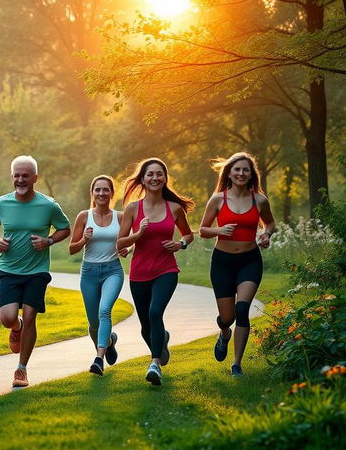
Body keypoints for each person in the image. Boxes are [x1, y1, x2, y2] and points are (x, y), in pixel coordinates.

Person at [0, 155, 71, 388]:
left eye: (25, 176)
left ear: (35, 178)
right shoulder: (1, 203)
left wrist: (48, 241)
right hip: (9, 269)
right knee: (7, 318)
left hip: (37, 270)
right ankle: (17, 327)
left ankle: (21, 369)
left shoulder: (48, 205)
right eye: (16, 175)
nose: (20, 180)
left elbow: (65, 229)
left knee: (32, 315)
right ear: (12, 177)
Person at [117, 158, 194, 386]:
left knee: (155, 312)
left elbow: (188, 234)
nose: (155, 178)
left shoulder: (174, 208)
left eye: (159, 174)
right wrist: (137, 236)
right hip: (139, 272)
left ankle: (154, 364)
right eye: (150, 174)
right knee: (145, 327)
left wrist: (181, 244)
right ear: (142, 179)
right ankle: (162, 343)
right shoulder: (133, 208)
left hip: (166, 269)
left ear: (165, 178)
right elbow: (120, 242)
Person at [199, 152, 276, 376]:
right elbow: (202, 230)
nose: (241, 173)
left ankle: (237, 364)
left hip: (249, 261)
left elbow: (269, 222)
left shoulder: (259, 200)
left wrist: (266, 234)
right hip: (222, 263)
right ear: (229, 174)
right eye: (237, 170)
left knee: (242, 310)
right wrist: (219, 231)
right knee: (228, 318)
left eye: (246, 170)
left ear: (252, 174)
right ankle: (224, 333)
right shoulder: (218, 199)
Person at [69, 175, 128, 376]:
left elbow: (135, 238)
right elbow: (71, 249)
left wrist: (128, 248)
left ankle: (98, 359)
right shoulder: (84, 217)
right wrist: (84, 240)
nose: (102, 193)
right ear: (92, 193)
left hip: (113, 270)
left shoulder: (121, 216)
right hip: (89, 273)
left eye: (106, 190)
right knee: (94, 324)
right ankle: (109, 341)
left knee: (104, 311)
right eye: (98, 190)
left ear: (112, 193)